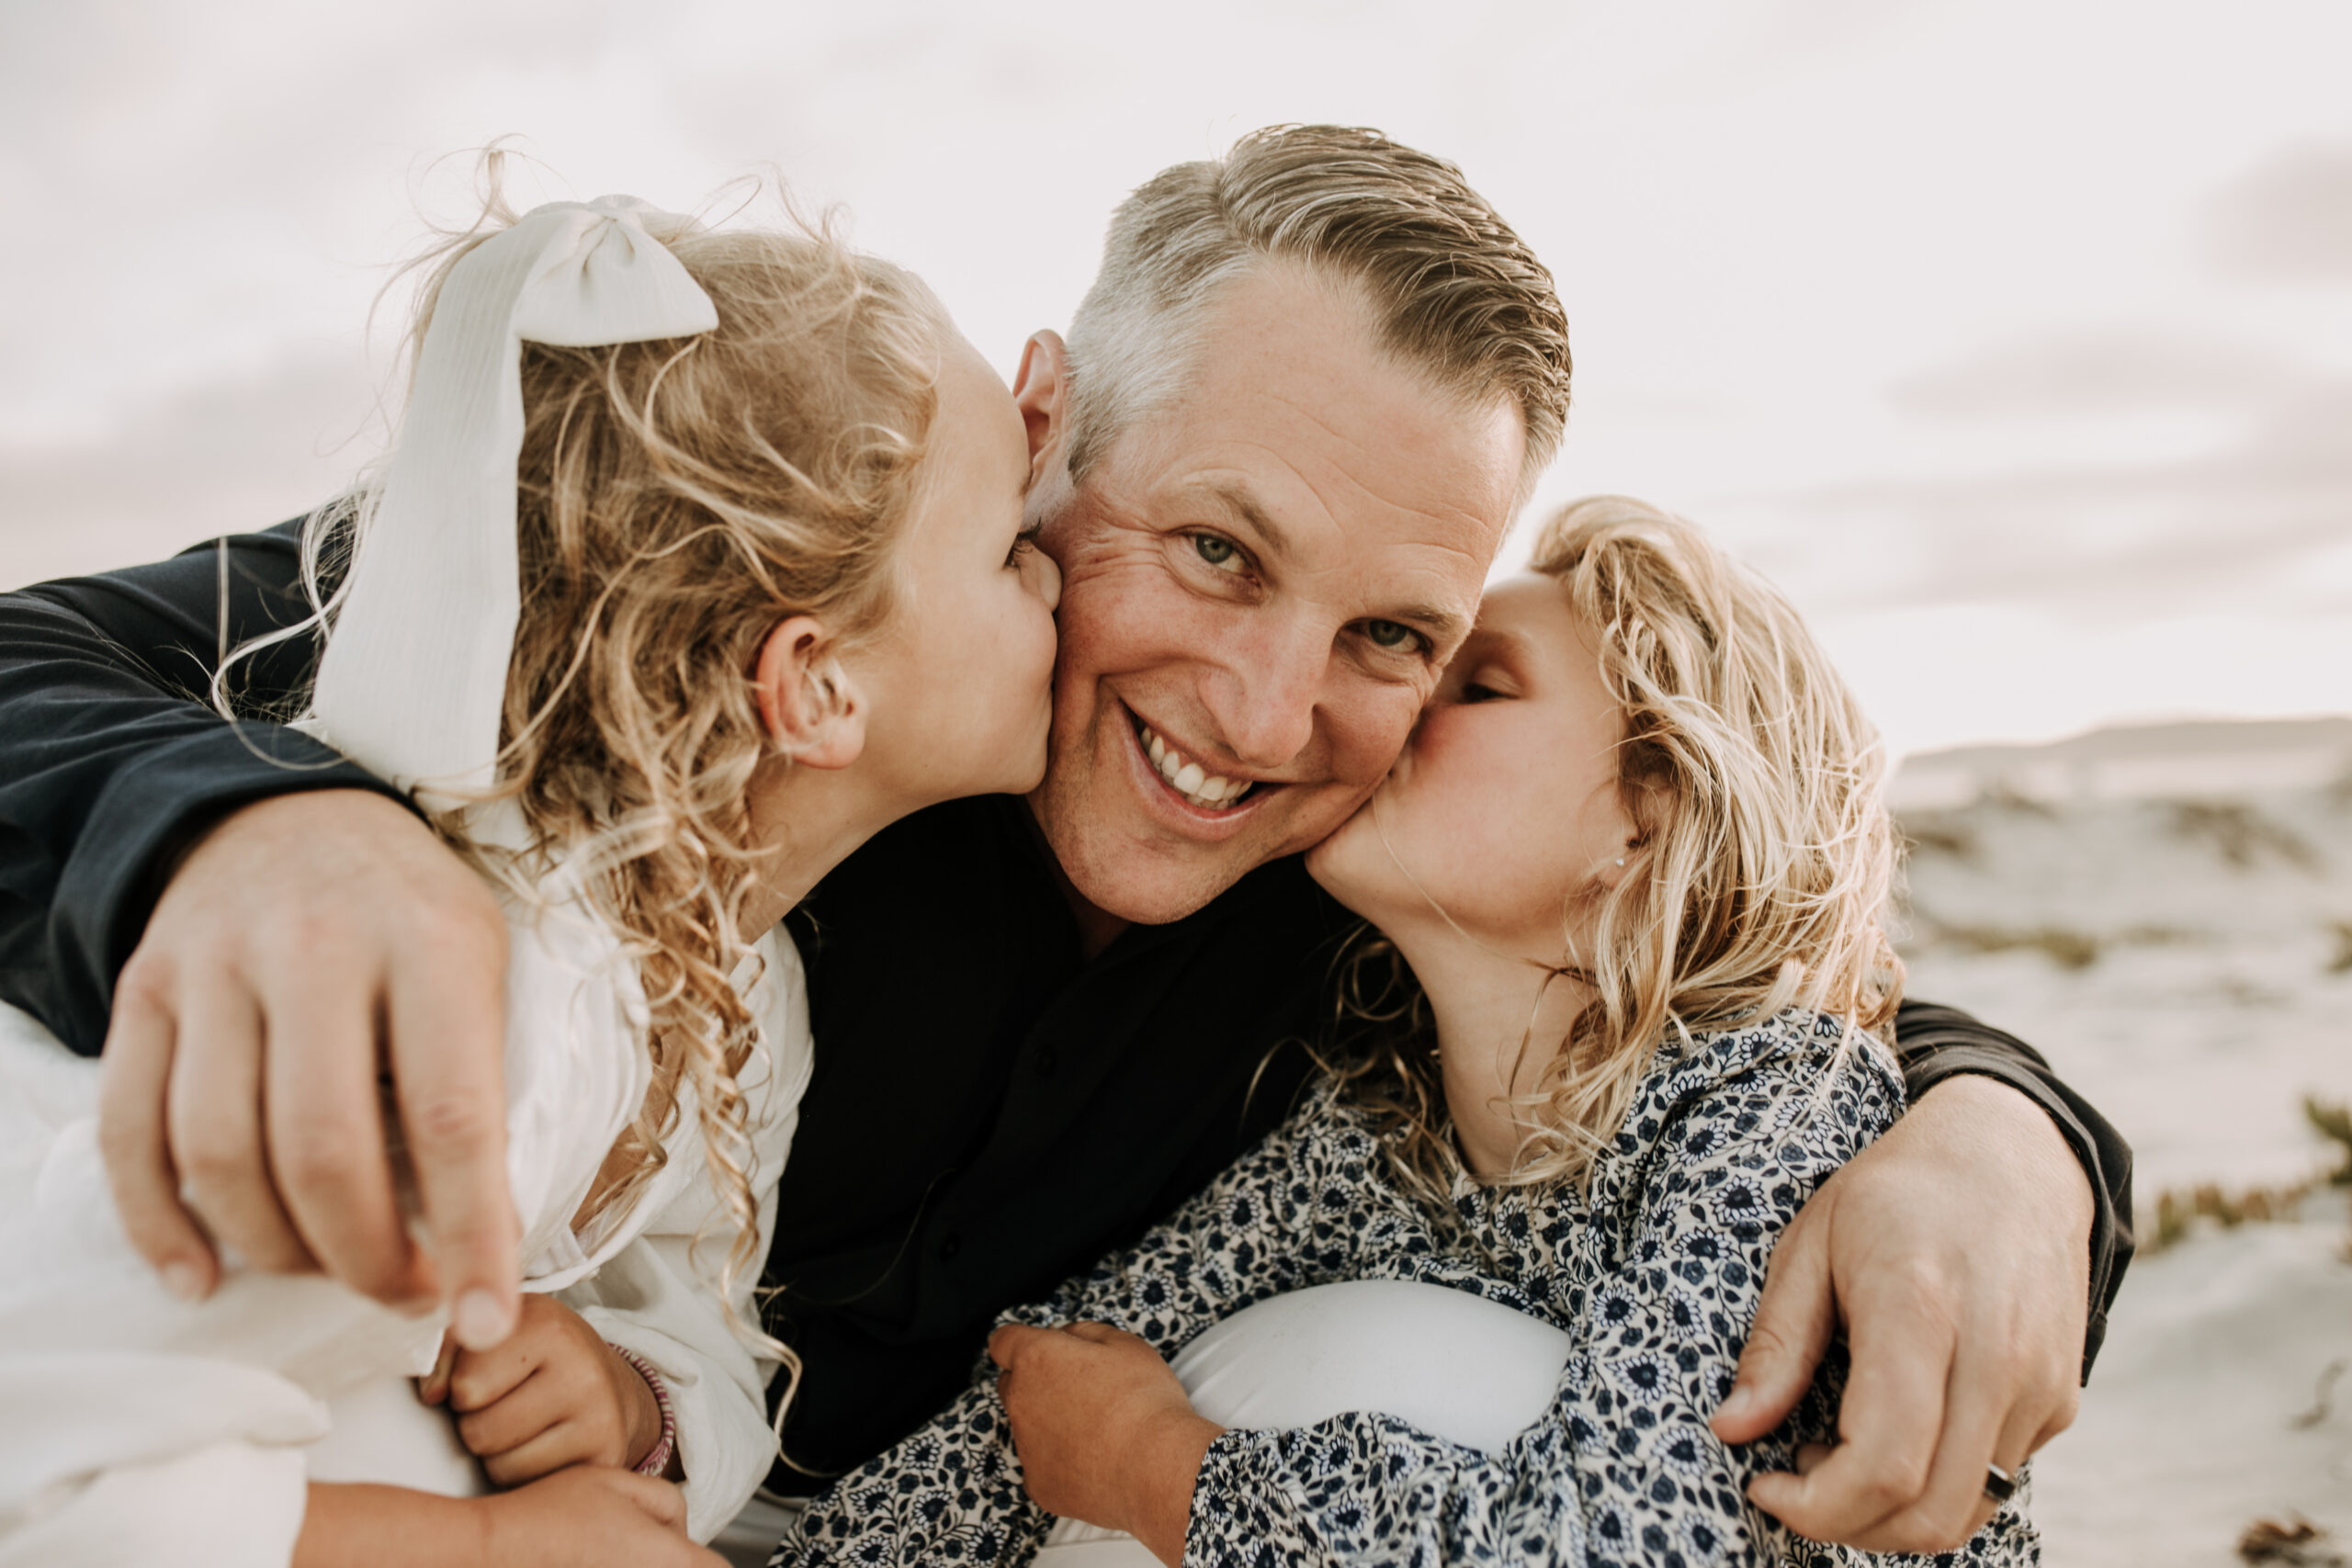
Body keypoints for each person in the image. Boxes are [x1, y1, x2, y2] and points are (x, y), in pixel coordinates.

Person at [0, 126, 2130, 1556]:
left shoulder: (1362, 897)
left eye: (1396, 635)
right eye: (1212, 549)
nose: (1266, 714)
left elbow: (1718, 1009)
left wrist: (2006, 1137)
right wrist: (264, 832)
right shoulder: (724, 607)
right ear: (1043, 429)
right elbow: (52, 659)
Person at [0, 179, 1060, 1567]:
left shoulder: (745, 981)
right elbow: (33, 1440)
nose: (1055, 580)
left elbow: (709, 1318)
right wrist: (493, 1555)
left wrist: (635, 1398)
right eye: (1006, 552)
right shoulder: (482, 1008)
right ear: (818, 688)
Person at [787, 495, 2036, 1567]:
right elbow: (1048, 1382)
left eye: (1477, 684)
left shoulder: (1765, 1111)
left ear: (1649, 815)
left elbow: (1631, 1546)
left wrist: (1161, 1470)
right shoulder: (1374, 1123)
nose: (1388, 710)